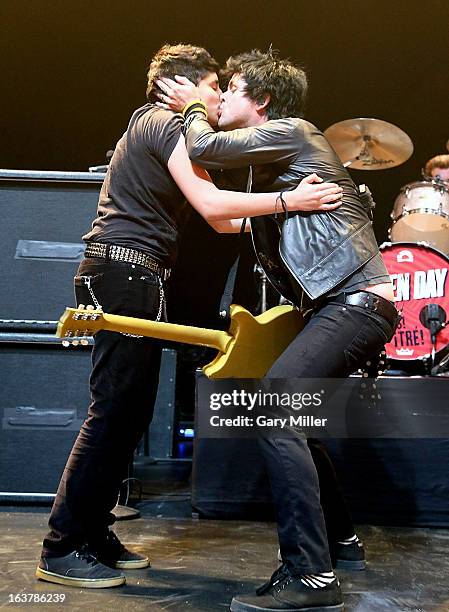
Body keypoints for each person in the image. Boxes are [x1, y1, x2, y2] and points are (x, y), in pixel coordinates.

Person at [35, 44, 343, 590]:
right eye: (213, 86)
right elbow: (210, 206)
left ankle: (93, 530)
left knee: (128, 417)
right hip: (123, 271)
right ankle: (61, 546)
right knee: (111, 415)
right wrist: (290, 203)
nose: (220, 96)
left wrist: (294, 219)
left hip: (137, 275)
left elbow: (226, 225)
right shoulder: (161, 121)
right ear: (182, 85)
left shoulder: (161, 127)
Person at [157, 49, 400, 612]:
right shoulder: (272, 165)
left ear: (261, 100)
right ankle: (341, 543)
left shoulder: (295, 132)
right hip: (345, 305)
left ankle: (310, 575)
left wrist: (193, 104)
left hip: (357, 300)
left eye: (232, 88)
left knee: (275, 407)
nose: (222, 98)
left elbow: (204, 146)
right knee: (299, 422)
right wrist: (284, 201)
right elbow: (226, 215)